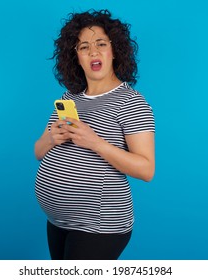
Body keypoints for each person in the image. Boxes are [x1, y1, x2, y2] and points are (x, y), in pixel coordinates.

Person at [34, 9, 155, 260]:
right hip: (58, 222)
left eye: (101, 43)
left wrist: (96, 143)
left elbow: (146, 170)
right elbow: (38, 152)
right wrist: (50, 138)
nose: (93, 51)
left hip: (100, 226)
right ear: (75, 56)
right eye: (83, 47)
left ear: (115, 51)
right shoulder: (69, 98)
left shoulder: (131, 103)